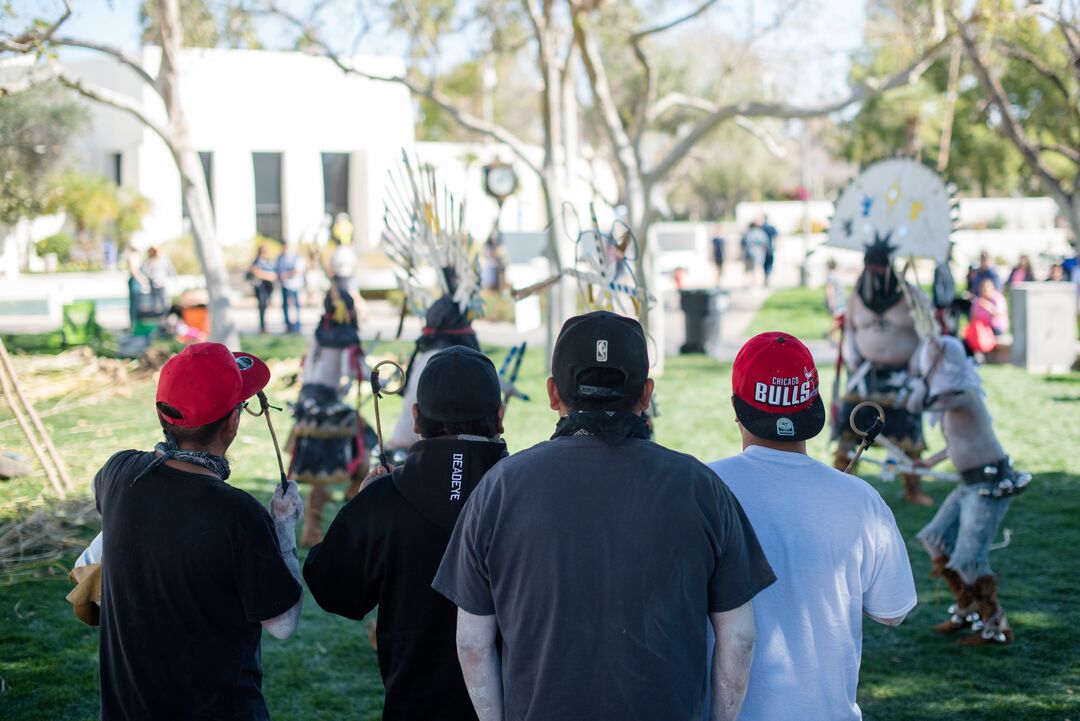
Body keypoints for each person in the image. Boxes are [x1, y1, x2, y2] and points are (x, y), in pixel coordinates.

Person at [433, 311, 776, 721]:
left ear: (553, 394)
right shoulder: (701, 488)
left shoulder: (499, 488)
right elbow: (739, 638)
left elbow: (472, 643)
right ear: (646, 394)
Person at [708, 332, 917, 721]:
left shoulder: (699, 488)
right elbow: (893, 610)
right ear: (814, 408)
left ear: (737, 408)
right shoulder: (860, 499)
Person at [92, 342, 304, 720]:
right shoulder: (237, 513)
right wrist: (284, 529)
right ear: (233, 422)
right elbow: (283, 624)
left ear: (165, 414)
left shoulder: (117, 473)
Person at [304, 346, 509, 721]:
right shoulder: (528, 495)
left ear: (416, 419)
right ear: (499, 417)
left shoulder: (382, 499)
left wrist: (362, 510)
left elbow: (333, 590)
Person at [906, 335, 1028, 645]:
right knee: (934, 538)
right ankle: (969, 607)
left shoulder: (963, 394)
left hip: (988, 484)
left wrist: (928, 370)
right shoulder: (953, 397)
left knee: (969, 558)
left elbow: (917, 404)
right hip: (969, 484)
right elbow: (955, 443)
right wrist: (928, 463)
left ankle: (995, 624)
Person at [276, 238, 306, 333]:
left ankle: (297, 325)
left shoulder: (296, 257)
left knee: (296, 305)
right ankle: (288, 325)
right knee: (285, 305)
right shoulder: (280, 257)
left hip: (295, 285)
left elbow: (298, 270)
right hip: (285, 284)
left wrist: (286, 275)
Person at [249, 245, 277, 334]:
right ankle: (262, 326)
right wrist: (269, 276)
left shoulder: (269, 262)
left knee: (266, 306)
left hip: (268, 288)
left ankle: (265, 325)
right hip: (260, 287)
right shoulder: (256, 262)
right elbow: (257, 273)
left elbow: (275, 273)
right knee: (261, 307)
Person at [760, 215, 778, 287]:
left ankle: (766, 279)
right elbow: (776, 237)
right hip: (770, 249)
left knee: (765, 264)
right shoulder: (771, 227)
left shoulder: (762, 228)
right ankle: (767, 279)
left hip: (763, 250)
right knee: (769, 264)